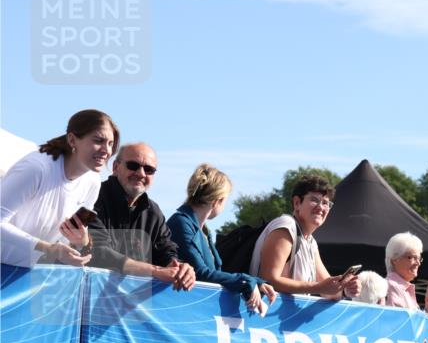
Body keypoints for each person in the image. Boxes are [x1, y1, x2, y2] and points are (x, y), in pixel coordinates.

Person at [1, 109, 119, 267]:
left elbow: (66, 240)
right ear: (72, 140)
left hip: (25, 275)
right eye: (98, 141)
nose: (106, 151)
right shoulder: (36, 168)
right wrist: (47, 248)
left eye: (110, 144)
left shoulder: (93, 181)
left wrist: (81, 242)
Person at [167, 165, 276, 314]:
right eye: (225, 200)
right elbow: (201, 273)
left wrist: (255, 281)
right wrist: (246, 281)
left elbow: (214, 273)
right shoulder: (181, 223)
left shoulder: (202, 230)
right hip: (183, 311)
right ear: (216, 201)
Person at [89, 142, 195, 290]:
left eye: (149, 169)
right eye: (133, 165)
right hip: (85, 300)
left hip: (131, 308)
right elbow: (97, 252)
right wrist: (155, 271)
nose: (141, 173)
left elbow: (166, 252)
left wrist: (179, 268)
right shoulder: (92, 197)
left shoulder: (154, 212)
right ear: (115, 167)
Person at [249, 174, 359, 300]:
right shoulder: (286, 226)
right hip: (263, 317)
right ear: (297, 203)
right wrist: (317, 287)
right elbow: (269, 280)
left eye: (325, 203)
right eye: (314, 200)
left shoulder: (311, 242)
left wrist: (345, 289)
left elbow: (328, 291)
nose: (321, 207)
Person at [384, 232, 423, 310]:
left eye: (419, 258)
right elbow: (396, 320)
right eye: (412, 257)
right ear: (394, 260)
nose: (418, 263)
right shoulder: (391, 287)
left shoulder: (403, 288)